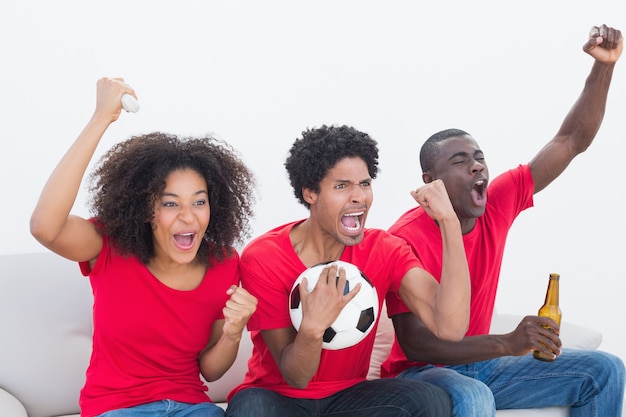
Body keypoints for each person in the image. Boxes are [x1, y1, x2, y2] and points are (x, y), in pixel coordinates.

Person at [381, 24, 625, 417]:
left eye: (479, 157)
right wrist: (506, 343)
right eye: (460, 162)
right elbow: (416, 345)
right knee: (475, 397)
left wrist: (604, 68)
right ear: (431, 181)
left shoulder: (497, 202)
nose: (477, 166)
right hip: (424, 374)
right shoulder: (404, 239)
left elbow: (569, 141)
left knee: (605, 370)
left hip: (487, 367)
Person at [30, 77, 258, 417]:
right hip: (116, 408)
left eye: (199, 202)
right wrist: (100, 118)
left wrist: (233, 332)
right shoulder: (108, 246)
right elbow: (45, 228)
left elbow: (210, 370)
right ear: (147, 210)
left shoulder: (223, 262)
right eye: (170, 204)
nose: (188, 217)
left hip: (191, 408)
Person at [225, 124, 471, 417]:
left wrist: (449, 223)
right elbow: (296, 377)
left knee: (432, 400)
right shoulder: (265, 257)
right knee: (249, 410)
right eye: (342, 186)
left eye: (365, 184)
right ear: (310, 193)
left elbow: (451, 328)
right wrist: (313, 327)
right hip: (277, 398)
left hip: (351, 396)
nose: (359, 197)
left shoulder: (385, 249)